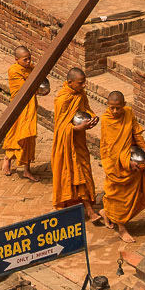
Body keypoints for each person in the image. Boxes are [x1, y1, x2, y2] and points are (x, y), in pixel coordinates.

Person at [99, 91, 145, 243]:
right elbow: (111, 148)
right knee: (117, 196)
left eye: (118, 108)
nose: (115, 111)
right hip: (115, 164)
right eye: (112, 108)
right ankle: (122, 229)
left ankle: (106, 212)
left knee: (130, 196)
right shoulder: (106, 120)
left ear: (124, 105)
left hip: (131, 160)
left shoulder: (129, 113)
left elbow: (137, 134)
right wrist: (127, 163)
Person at [51, 68, 101, 222]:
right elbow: (60, 128)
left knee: (83, 172)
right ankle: (90, 211)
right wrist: (78, 128)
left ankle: (81, 206)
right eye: (81, 83)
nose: (84, 86)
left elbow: (85, 109)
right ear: (70, 82)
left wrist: (93, 118)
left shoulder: (80, 94)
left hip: (79, 142)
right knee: (76, 174)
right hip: (67, 143)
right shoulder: (62, 99)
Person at [2, 45, 40, 182]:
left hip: (30, 108)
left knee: (29, 138)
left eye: (29, 59)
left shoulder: (31, 68)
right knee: (17, 135)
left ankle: (27, 170)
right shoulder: (14, 71)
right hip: (19, 108)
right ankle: (8, 158)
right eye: (25, 60)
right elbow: (25, 89)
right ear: (16, 59)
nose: (28, 62)